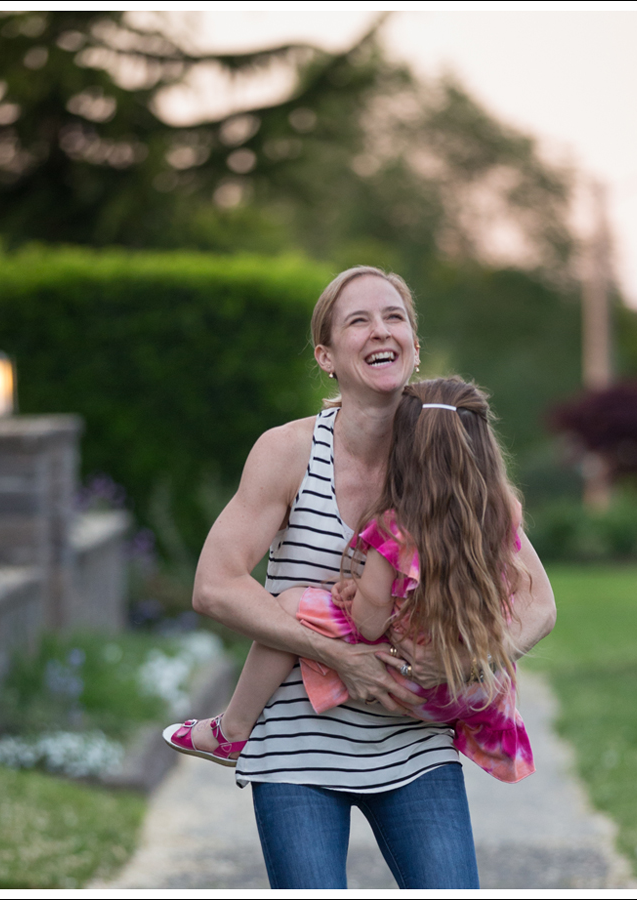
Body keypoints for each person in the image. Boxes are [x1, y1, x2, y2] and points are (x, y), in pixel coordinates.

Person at [168, 267, 555, 889]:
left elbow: (539, 604)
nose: (381, 330)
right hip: (298, 749)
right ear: (326, 356)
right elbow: (214, 585)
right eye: (359, 320)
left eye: (394, 316)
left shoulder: (446, 450)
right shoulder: (289, 452)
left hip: (415, 745)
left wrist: (467, 659)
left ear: (415, 345)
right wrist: (340, 656)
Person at [165, 376, 534, 785]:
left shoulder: (396, 530)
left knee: (289, 605)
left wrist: (360, 593)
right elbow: (519, 595)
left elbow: (369, 625)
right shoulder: (499, 513)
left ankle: (232, 729)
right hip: (470, 694)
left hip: (409, 686)